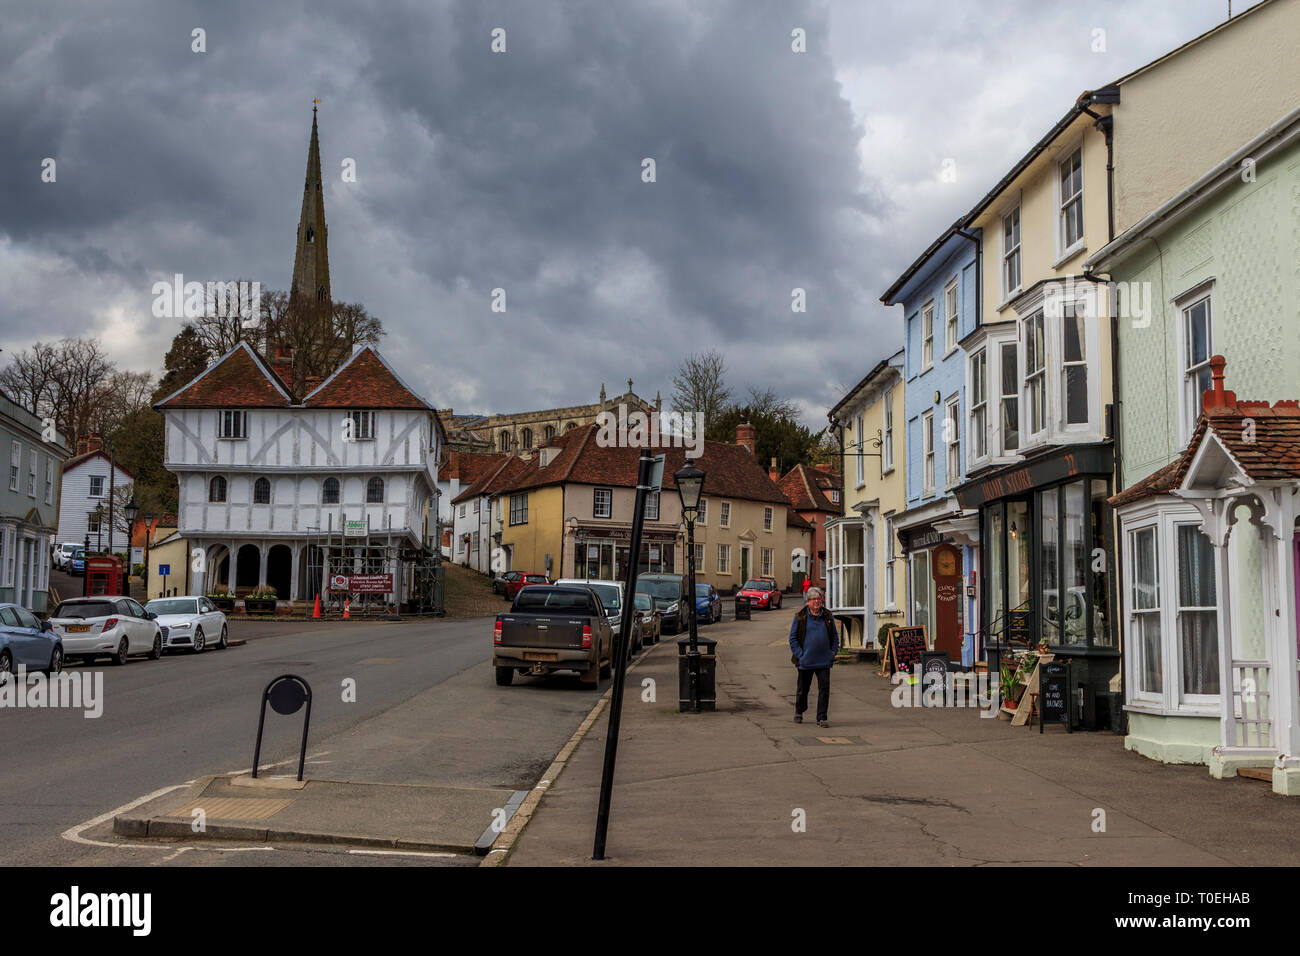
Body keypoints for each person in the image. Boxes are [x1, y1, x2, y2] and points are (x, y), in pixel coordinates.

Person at [788, 586, 838, 727]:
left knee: (824, 690)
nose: (816, 601)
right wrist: (800, 655)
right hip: (806, 661)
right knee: (802, 690)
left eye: (819, 599)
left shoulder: (827, 616)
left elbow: (834, 636)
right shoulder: (800, 617)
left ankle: (822, 717)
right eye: (813, 599)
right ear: (808, 602)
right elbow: (793, 639)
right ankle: (799, 711)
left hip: (824, 661)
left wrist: (833, 652)